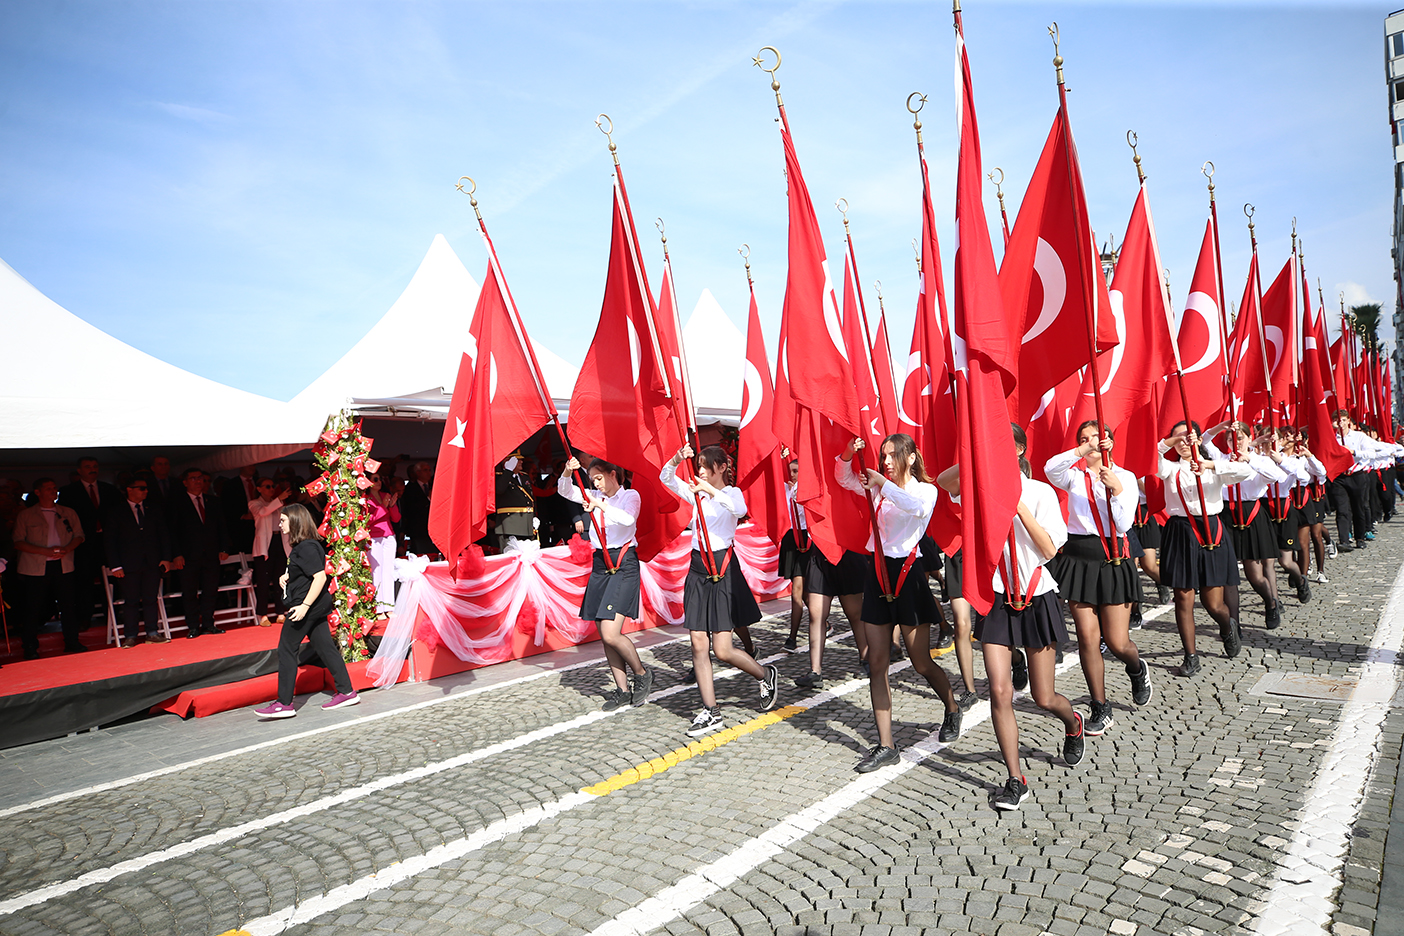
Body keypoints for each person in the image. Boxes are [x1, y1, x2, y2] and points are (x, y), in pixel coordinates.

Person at [944, 424, 1082, 810]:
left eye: (1001, 444)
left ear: (1019, 449)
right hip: (997, 598)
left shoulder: (1040, 493)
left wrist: (1017, 505)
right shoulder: (980, 491)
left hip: (1037, 597)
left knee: (1043, 696)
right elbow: (944, 482)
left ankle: (1073, 722)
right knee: (1000, 691)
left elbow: (1049, 550)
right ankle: (1015, 779)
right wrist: (974, 458)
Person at [838, 433, 962, 773]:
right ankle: (886, 745)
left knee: (921, 662)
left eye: (893, 455)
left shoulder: (926, 490)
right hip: (878, 573)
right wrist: (848, 454)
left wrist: (882, 483)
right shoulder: (880, 487)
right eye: (883, 456)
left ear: (910, 457)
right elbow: (844, 479)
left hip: (909, 575)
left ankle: (952, 707)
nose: (886, 462)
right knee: (877, 663)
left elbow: (916, 508)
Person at [661, 443, 780, 736]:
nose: (700, 471)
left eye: (705, 466)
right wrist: (677, 458)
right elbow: (665, 477)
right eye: (698, 466)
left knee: (723, 650)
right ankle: (711, 711)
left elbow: (740, 510)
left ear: (722, 467)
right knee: (698, 644)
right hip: (697, 568)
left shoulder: (731, 493)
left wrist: (709, 491)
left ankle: (765, 674)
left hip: (722, 568)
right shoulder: (696, 494)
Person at [1045, 422, 1153, 733]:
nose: (1091, 442)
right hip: (1080, 559)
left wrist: (1116, 489)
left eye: (1096, 437)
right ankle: (1100, 705)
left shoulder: (1125, 477)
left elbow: (1124, 524)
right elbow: (1050, 468)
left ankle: (1137, 668)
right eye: (1084, 438)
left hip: (1113, 559)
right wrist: (1081, 451)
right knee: (1087, 638)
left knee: (1118, 642)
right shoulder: (1074, 476)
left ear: (1110, 442)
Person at [1157, 421, 1253, 676]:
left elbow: (1245, 472)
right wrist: (1171, 441)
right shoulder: (1170, 468)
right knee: (1183, 598)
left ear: (1198, 440)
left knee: (1213, 603)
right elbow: (1151, 456)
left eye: (1188, 437)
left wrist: (1209, 465)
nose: (1183, 443)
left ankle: (1227, 626)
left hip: (1211, 529)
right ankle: (1191, 656)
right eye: (1177, 439)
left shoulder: (1214, 467)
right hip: (1180, 531)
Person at [559, 455, 653, 710]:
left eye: (599, 478)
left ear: (613, 474)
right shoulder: (593, 495)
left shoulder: (630, 496)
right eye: (593, 480)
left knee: (612, 632)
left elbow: (628, 519)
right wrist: (567, 471)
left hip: (623, 562)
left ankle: (642, 673)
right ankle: (622, 689)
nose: (596, 484)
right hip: (600, 563)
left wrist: (599, 505)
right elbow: (565, 490)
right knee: (604, 633)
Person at [253, 503, 358, 718]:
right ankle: (346, 692)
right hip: (314, 605)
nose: (280, 524)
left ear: (295, 521)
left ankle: (284, 704)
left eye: (283, 520)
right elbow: (309, 572)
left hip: (306, 606)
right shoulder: (306, 545)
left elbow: (319, 577)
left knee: (286, 649)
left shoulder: (306, 547)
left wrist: (304, 607)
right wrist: (288, 576)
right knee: (325, 647)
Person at [1209, 422, 1291, 631]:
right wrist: (1222, 426)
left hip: (1251, 514)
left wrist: (1250, 459)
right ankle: (1233, 624)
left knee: (1254, 574)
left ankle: (1271, 603)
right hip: (1226, 515)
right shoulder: (1221, 459)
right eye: (1230, 439)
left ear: (1249, 438)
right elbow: (1205, 442)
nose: (1235, 442)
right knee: (1229, 576)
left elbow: (1277, 477)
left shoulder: (1259, 460)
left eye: (1239, 438)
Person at [12, 478, 86, 657]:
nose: (53, 491)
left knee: (68, 605)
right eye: (48, 489)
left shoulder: (67, 512)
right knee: (33, 607)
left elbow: (79, 535)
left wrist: (67, 549)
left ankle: (72, 642)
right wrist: (44, 551)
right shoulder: (26, 515)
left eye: (54, 488)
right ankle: (30, 647)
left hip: (63, 563)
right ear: (37, 492)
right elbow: (18, 541)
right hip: (35, 566)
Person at [105, 478, 174, 646]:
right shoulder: (117, 511)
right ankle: (130, 635)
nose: (146, 491)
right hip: (128, 563)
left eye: (146, 488)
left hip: (152, 561)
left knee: (151, 598)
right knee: (131, 600)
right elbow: (110, 540)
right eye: (141, 488)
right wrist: (115, 565)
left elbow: (163, 534)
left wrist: (166, 557)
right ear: (129, 489)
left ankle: (152, 632)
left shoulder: (153, 509)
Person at [57, 456, 122, 624]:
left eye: (95, 466)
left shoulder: (109, 489)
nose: (92, 469)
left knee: (112, 579)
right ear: (79, 471)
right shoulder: (68, 491)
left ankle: (112, 617)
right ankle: (84, 619)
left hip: (107, 541)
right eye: (88, 466)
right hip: (83, 543)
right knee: (84, 580)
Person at [168, 469, 229, 638]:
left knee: (211, 590)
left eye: (200, 478)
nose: (197, 481)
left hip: (210, 553)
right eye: (193, 478)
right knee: (189, 592)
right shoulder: (177, 502)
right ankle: (193, 626)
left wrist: (224, 548)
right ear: (185, 482)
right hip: (188, 555)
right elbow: (172, 531)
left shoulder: (213, 501)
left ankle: (208, 623)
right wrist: (176, 554)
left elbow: (222, 526)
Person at [249, 478, 291, 626]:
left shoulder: (278, 504)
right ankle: (263, 614)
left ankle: (280, 612)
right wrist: (279, 499)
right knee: (263, 581)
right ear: (259, 489)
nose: (271, 489)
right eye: (267, 486)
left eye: (273, 486)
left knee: (281, 578)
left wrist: (280, 501)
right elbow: (263, 512)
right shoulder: (254, 503)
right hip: (264, 546)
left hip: (280, 542)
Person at [779, 459, 809, 654]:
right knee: (801, 591)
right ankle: (823, 621)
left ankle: (792, 638)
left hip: (806, 538)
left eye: (796, 471)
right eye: (790, 471)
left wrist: (797, 490)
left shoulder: (806, 490)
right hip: (791, 537)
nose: (792, 475)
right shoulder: (786, 489)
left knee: (797, 590)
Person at [364, 472, 400, 615]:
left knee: (389, 572)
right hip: (374, 537)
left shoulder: (385, 495)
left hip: (389, 536)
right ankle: (378, 608)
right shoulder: (364, 499)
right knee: (376, 572)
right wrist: (383, 506)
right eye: (375, 479)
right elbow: (368, 520)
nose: (378, 481)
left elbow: (396, 518)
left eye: (379, 479)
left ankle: (389, 606)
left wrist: (392, 506)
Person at [492, 454, 536, 551]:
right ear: (507, 461)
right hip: (509, 524)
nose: (521, 462)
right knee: (511, 554)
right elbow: (499, 489)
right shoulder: (498, 476)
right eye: (517, 460)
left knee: (527, 553)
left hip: (526, 522)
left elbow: (531, 498)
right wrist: (508, 471)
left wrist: (534, 516)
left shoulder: (524, 476)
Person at [400, 461, 434, 555]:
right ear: (418, 473)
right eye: (425, 470)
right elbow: (410, 508)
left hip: (434, 527)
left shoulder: (434, 485)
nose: (428, 473)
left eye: (429, 470)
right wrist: (428, 499)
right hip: (418, 529)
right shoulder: (410, 488)